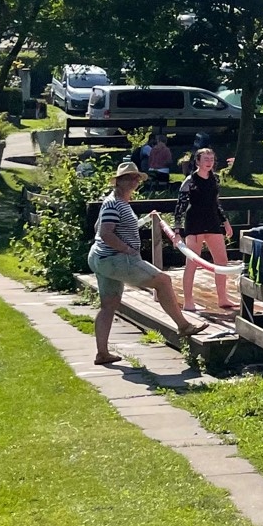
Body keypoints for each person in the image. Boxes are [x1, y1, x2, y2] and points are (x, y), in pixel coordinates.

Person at [90, 160, 203, 365]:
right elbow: (105, 232)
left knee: (108, 305)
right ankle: (183, 326)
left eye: (136, 177)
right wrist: (126, 248)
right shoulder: (115, 203)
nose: (134, 180)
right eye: (129, 178)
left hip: (102, 259)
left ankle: (102, 353)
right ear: (118, 182)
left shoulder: (117, 201)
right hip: (116, 259)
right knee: (163, 281)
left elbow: (99, 226)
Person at [174, 147, 236, 313]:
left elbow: (216, 202)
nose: (209, 162)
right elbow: (180, 207)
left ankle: (223, 297)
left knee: (222, 260)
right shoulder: (190, 181)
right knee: (193, 262)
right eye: (206, 159)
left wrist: (225, 222)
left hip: (212, 221)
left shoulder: (215, 179)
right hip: (194, 222)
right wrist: (177, 231)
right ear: (198, 162)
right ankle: (188, 300)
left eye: (211, 159)